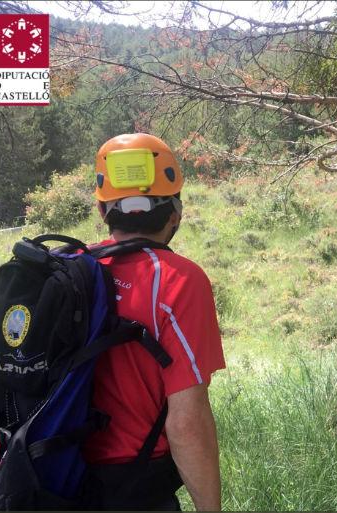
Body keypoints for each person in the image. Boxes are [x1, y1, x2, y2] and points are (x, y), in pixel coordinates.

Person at [85, 133, 226, 510]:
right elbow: (186, 423)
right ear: (176, 213)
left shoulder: (72, 266)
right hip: (134, 488)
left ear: (103, 212)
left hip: (51, 476)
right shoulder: (180, 280)